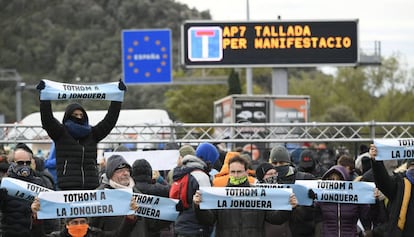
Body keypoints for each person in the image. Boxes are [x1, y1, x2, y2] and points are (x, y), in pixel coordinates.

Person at [38, 80, 126, 190]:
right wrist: (44, 99)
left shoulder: (92, 134)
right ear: (68, 116)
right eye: (75, 115)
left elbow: (110, 120)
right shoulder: (60, 133)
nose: (79, 117)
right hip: (67, 188)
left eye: (81, 114)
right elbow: (47, 119)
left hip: (91, 188)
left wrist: (117, 101)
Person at [193, 155, 297, 237]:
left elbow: (275, 219)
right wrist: (198, 206)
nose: (236, 175)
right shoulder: (220, 195)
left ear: (246, 172)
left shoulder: (258, 194)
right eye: (233, 172)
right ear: (229, 172)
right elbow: (208, 220)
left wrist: (288, 206)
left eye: (239, 172)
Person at [30, 196, 139, 237]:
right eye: (74, 222)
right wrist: (36, 216)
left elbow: (119, 235)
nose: (79, 225)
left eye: (82, 222)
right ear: (67, 224)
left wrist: (130, 217)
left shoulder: (95, 234)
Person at [90, 154, 143, 237]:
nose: (125, 173)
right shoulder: (100, 195)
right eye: (120, 171)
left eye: (127, 170)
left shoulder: (138, 194)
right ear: (110, 174)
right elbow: (93, 224)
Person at [0, 143, 47, 237]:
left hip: (32, 232)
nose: (24, 166)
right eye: (20, 163)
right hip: (10, 232)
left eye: (27, 163)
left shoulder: (39, 183)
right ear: (12, 163)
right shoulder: (4, 184)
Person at [268, 145, 316, 237]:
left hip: (301, 231)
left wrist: (313, 200)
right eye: (275, 163)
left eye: (281, 162)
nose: (278, 165)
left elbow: (315, 211)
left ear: (288, 162)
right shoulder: (267, 182)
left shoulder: (305, 179)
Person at [368, 144, 414, 237]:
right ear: (408, 167)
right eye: (413, 165)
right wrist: (376, 162)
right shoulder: (399, 183)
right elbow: (383, 182)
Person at [314, 164, 371, 237]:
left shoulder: (354, 197)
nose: (335, 182)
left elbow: (366, 216)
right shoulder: (322, 199)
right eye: (331, 179)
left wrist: (363, 199)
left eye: (338, 179)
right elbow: (312, 216)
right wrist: (311, 199)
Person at [171, 154, 213, 237]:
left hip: (181, 225)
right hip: (196, 227)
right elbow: (206, 205)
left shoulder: (181, 174)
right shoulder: (201, 176)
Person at [132, 159, 173, 237]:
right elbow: (172, 192)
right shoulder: (160, 189)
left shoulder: (128, 191)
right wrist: (160, 179)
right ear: (149, 173)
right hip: (157, 231)